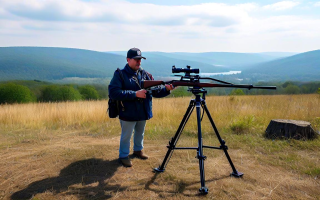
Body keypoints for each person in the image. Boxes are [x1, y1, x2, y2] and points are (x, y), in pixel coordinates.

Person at [108, 47, 174, 167]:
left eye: (140, 59)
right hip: (127, 112)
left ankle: (138, 151)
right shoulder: (120, 74)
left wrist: (166, 89)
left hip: (143, 111)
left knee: (140, 133)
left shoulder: (145, 74)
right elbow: (113, 92)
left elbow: (156, 92)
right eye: (136, 59)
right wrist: (135, 94)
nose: (139, 62)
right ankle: (123, 156)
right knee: (126, 136)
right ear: (128, 60)